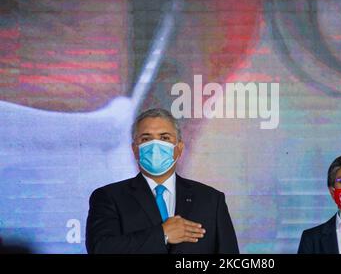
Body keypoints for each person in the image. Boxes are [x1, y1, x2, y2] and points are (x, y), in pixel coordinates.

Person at [86, 108, 239, 254]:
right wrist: (162, 235)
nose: (155, 145)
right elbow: (100, 248)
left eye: (164, 137)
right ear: (135, 149)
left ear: (178, 148)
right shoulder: (108, 197)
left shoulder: (211, 200)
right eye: (146, 138)